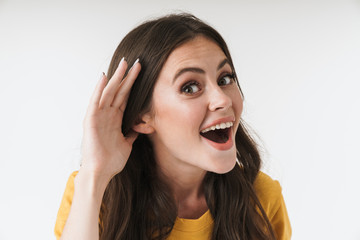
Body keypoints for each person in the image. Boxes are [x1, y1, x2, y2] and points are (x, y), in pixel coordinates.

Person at [54, 13, 291, 240]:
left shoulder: (262, 198)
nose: (223, 100)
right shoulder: (92, 193)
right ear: (141, 118)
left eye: (225, 79)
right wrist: (95, 174)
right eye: (189, 87)